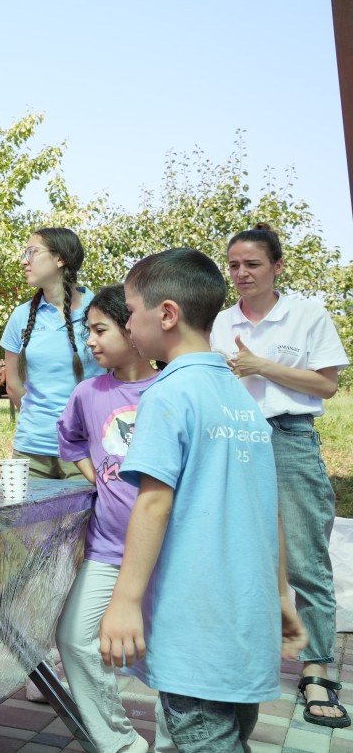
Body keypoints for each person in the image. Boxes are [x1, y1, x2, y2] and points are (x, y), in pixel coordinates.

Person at [99, 248, 307, 752]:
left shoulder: (166, 395)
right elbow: (270, 508)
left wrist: (124, 601)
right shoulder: (241, 398)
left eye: (132, 311)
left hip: (196, 638)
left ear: (167, 314)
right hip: (247, 631)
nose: (128, 324)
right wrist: (281, 597)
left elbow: (153, 504)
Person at [210, 223, 350, 729]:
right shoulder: (219, 321)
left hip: (289, 437)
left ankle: (316, 668)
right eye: (234, 265)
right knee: (235, 551)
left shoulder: (306, 315)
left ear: (277, 266)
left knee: (305, 557)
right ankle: (240, 656)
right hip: (232, 438)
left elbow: (327, 385)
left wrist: (260, 366)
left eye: (252, 264)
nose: (241, 273)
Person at [54, 285, 164, 753]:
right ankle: (121, 745)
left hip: (170, 550)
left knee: (168, 654)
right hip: (108, 548)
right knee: (76, 639)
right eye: (88, 331)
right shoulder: (88, 393)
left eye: (100, 330)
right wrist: (97, 476)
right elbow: (71, 439)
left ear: (132, 328)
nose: (91, 341)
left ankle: (176, 742)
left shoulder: (169, 388)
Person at [0, 227, 105, 479]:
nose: (24, 261)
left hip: (87, 449)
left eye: (32, 252)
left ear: (60, 259)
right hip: (31, 452)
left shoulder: (101, 311)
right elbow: (13, 385)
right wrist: (42, 424)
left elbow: (121, 376)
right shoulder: (21, 316)